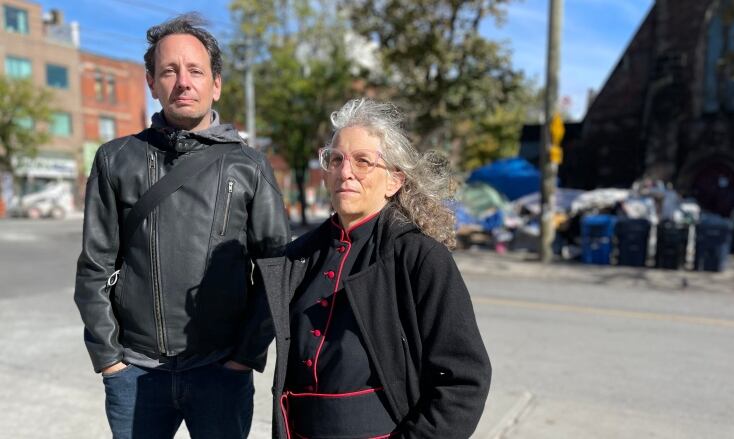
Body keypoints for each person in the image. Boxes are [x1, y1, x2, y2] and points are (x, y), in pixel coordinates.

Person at [74, 13, 289, 439]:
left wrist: (244, 358)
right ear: (151, 82)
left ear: (216, 83)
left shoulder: (249, 166)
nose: (183, 82)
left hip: (221, 372)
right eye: (169, 70)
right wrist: (110, 361)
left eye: (195, 70)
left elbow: (276, 272)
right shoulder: (116, 159)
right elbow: (94, 267)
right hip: (136, 374)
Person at [254, 98, 491, 439]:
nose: (344, 172)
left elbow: (464, 380)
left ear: (394, 181)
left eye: (363, 161)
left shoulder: (420, 257)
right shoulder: (298, 257)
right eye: (336, 160)